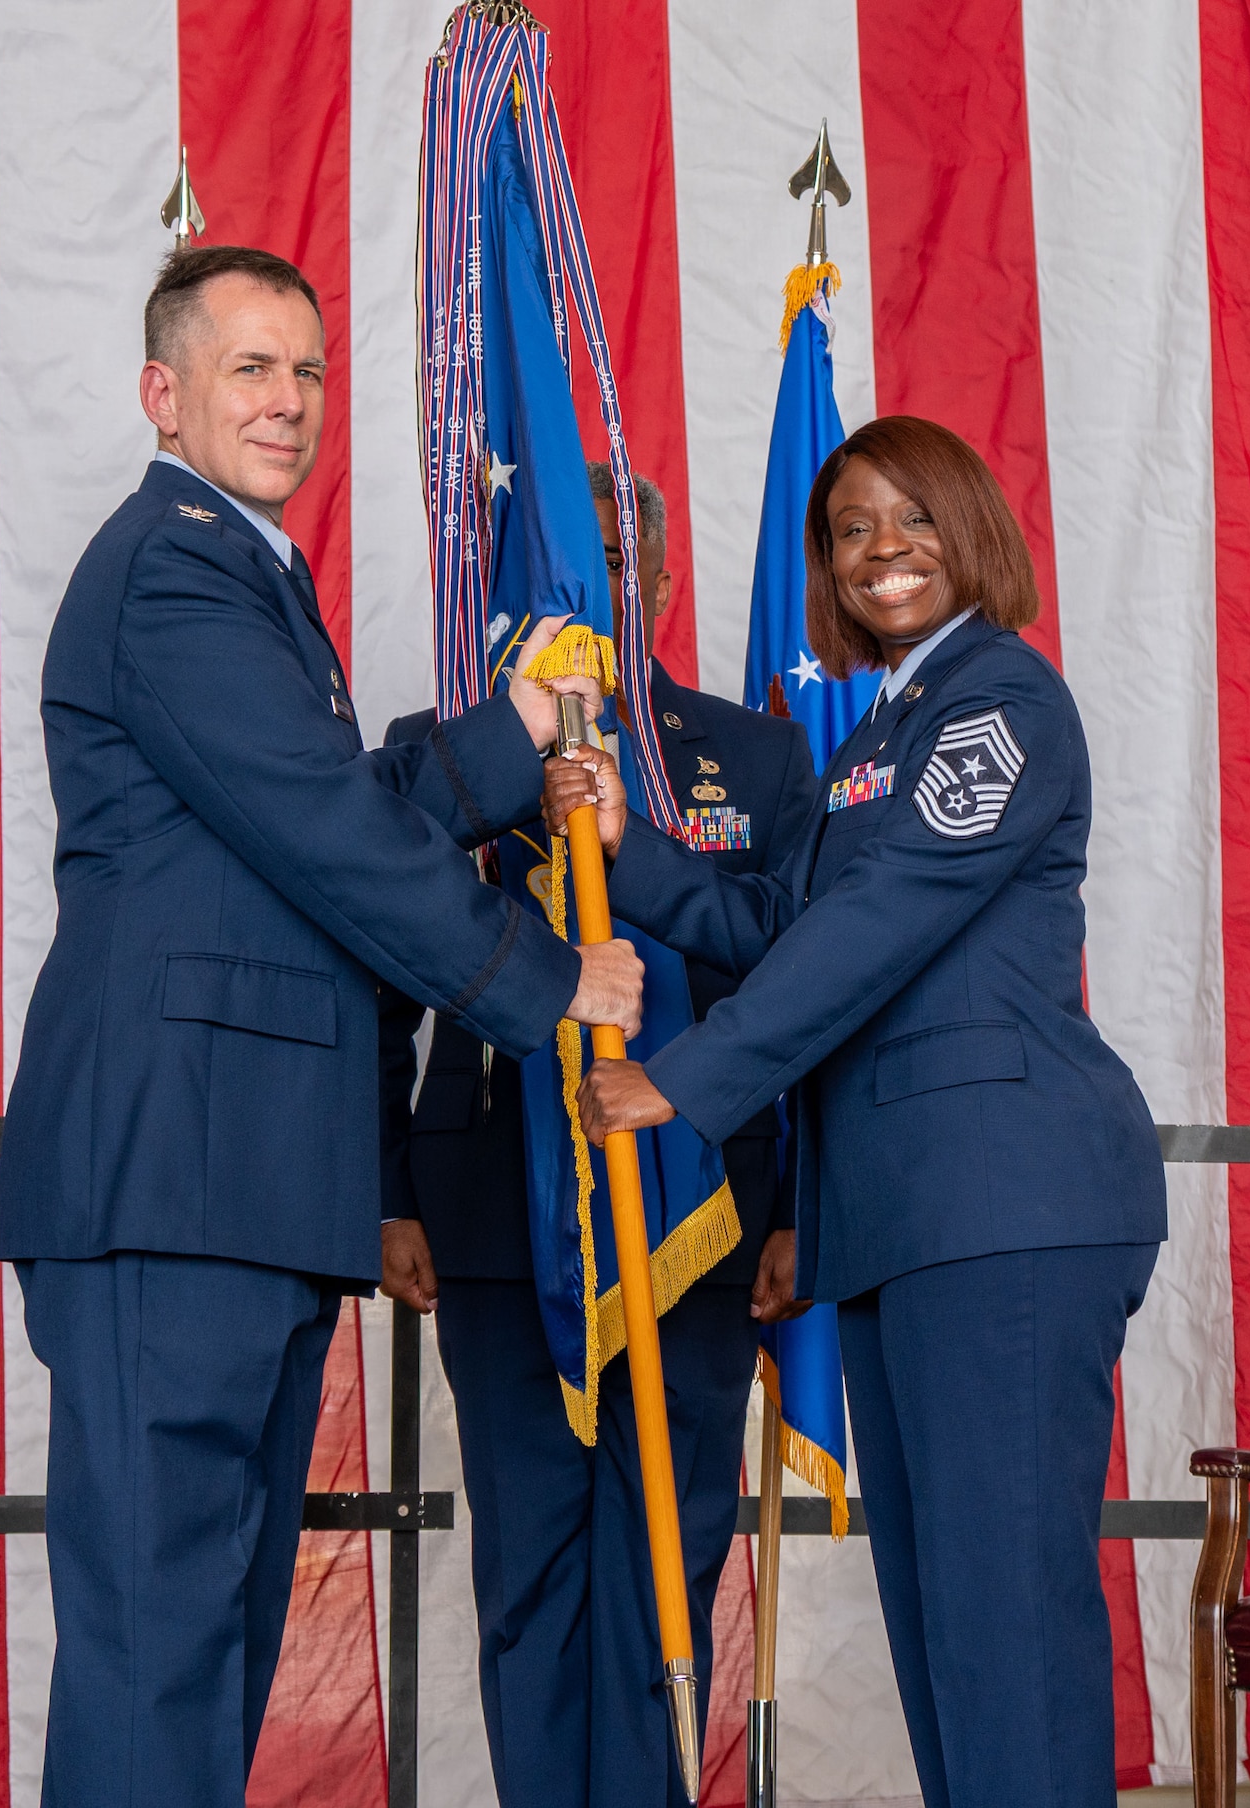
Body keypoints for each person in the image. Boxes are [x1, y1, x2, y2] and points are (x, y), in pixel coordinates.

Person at [0, 244, 642, 1808]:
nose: (287, 402)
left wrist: (517, 734)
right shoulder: (174, 565)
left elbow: (323, 810)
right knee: (162, 1652)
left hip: (243, 1188)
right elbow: (323, 833)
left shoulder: (253, 578)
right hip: (175, 1178)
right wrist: (548, 980)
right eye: (248, 369)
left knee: (208, 1648)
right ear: (165, 392)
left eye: (305, 371)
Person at [552, 417, 1167, 1808]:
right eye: (849, 529)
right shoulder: (881, 728)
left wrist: (687, 1077)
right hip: (906, 1218)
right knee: (947, 1636)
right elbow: (783, 922)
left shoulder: (1002, 703)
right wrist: (622, 855)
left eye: (912, 517)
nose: (881, 548)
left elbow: (883, 923)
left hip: (1005, 1205)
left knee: (1003, 1629)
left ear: (974, 533)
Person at [378, 465, 817, 1808]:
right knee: (528, 1572)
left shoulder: (751, 755)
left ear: (667, 584)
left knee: (666, 1564)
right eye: (571, 576)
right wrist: (389, 1191)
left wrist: (797, 1205)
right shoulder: (446, 758)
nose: (602, 598)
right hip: (500, 1219)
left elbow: (804, 987)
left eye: (625, 570)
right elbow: (378, 978)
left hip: (700, 1223)